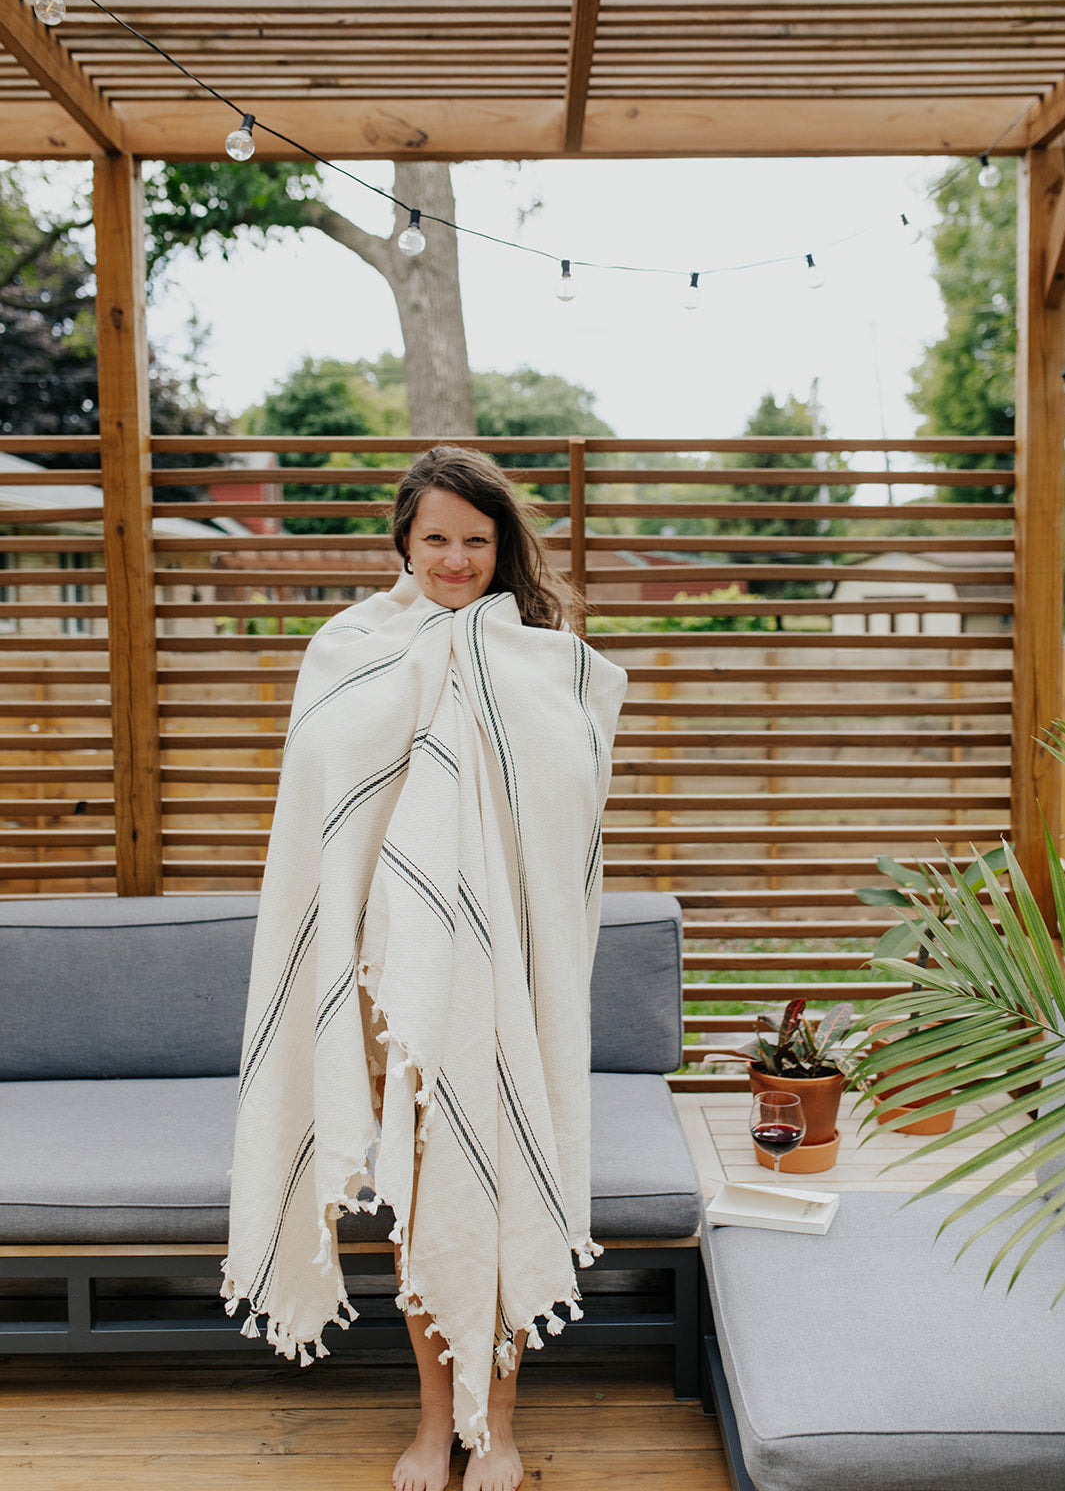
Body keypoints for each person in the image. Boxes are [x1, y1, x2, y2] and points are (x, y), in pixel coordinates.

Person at [223, 445, 627, 1491]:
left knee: (496, 1173)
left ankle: (496, 1423)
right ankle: (431, 1418)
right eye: (435, 537)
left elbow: (569, 813)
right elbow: (322, 806)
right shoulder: (353, 647)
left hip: (508, 970)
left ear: (504, 546)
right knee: (417, 1182)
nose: (453, 558)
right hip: (388, 976)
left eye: (474, 540)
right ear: (402, 539)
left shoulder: (547, 654)